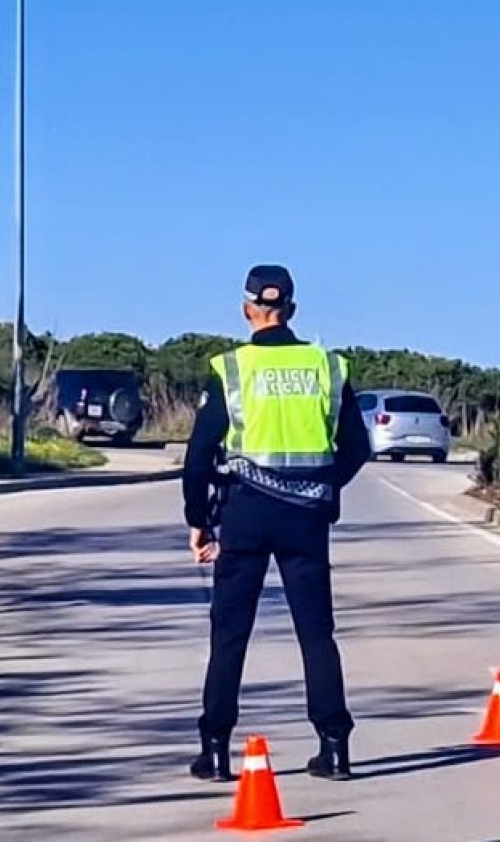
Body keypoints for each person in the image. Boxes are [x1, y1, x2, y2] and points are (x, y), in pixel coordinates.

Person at [183, 265, 371, 783]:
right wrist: (323, 484)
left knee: (230, 634)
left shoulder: (231, 368)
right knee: (316, 632)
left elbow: (199, 455)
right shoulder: (327, 365)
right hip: (306, 518)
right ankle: (334, 748)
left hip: (244, 513)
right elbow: (357, 447)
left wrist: (199, 520)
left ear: (247, 309)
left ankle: (217, 751)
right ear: (292, 309)